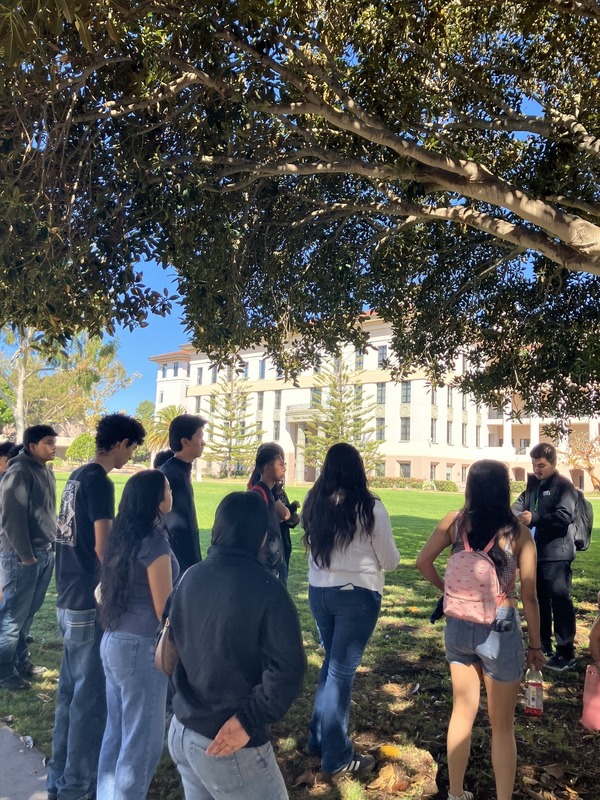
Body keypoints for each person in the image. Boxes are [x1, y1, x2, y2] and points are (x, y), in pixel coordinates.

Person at [417, 460, 544, 800]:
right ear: (504, 489)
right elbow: (530, 596)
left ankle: (456, 792)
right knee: (502, 726)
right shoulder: (518, 533)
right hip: (501, 626)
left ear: (470, 487)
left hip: (458, 623)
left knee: (462, 712)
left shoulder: (454, 522)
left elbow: (422, 562)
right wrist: (535, 646)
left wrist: (449, 591)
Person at [167, 491, 305, 800]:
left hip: (183, 729)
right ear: (262, 537)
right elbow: (288, 669)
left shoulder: (189, 576)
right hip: (226, 741)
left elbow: (168, 644)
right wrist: (248, 720)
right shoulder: (268, 590)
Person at [48, 413, 146, 800]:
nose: (131, 455)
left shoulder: (76, 476)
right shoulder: (100, 482)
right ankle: (77, 786)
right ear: (121, 443)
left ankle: (59, 780)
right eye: (132, 448)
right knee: (88, 701)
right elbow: (104, 548)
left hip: (67, 597)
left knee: (69, 694)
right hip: (87, 603)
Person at [302, 443, 399, 776]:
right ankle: (337, 756)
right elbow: (390, 560)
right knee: (341, 675)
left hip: (320, 593)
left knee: (332, 665)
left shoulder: (314, 502)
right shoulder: (371, 508)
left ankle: (317, 739)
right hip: (356, 596)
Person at [97, 470, 178, 800]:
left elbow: (102, 591)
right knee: (140, 747)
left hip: (113, 640)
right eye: (168, 489)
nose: (172, 493)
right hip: (140, 648)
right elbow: (164, 609)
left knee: (116, 735)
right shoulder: (154, 543)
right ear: (156, 500)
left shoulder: (121, 537)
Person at [0, 425, 57, 690]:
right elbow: (12, 519)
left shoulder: (45, 471)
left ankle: (20, 660)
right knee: (13, 616)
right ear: (32, 446)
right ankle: (4, 671)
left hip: (44, 552)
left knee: (28, 614)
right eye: (48, 442)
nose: (53, 447)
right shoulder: (19, 472)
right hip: (21, 557)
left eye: (54, 441)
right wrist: (26, 556)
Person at [512, 442, 578, 671]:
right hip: (534, 554)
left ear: (553, 463)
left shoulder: (563, 486)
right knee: (538, 600)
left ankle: (566, 652)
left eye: (541, 465)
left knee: (560, 600)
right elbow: (517, 506)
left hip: (557, 554)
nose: (537, 470)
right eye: (534, 465)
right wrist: (513, 515)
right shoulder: (533, 485)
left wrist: (536, 518)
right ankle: (542, 645)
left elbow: (565, 516)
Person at [159, 414, 206, 572]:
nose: (203, 442)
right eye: (200, 437)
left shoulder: (179, 471)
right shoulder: (172, 476)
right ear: (185, 441)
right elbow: (176, 528)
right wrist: (190, 568)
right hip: (178, 567)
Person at [248, 443, 290, 582]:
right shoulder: (259, 494)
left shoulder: (269, 492)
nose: (284, 468)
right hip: (267, 563)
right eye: (280, 464)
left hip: (273, 560)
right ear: (268, 468)